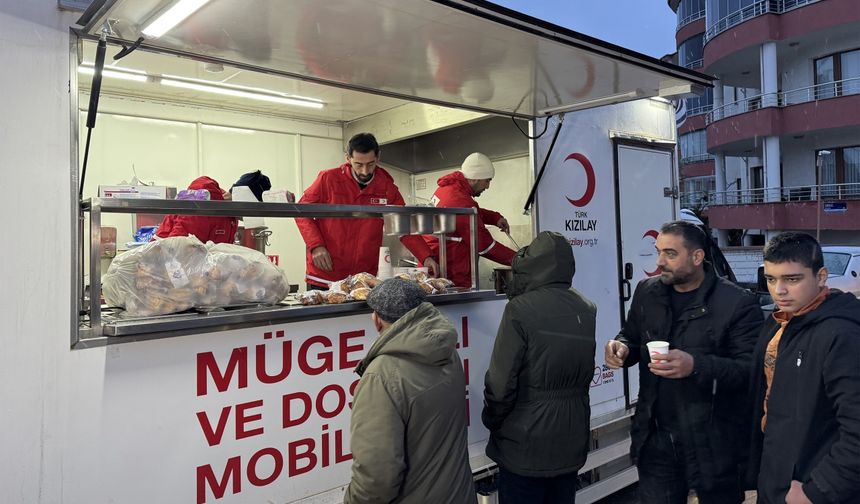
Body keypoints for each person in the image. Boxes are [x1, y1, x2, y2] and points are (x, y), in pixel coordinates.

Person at [604, 220, 762, 504]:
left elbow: (750, 371)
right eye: (658, 252)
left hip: (715, 443)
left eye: (670, 254)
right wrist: (622, 348)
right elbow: (632, 336)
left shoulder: (737, 302)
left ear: (697, 257)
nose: (659, 261)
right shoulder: (647, 292)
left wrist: (695, 365)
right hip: (657, 439)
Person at [482, 231, 596, 503]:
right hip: (570, 438)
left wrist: (492, 420)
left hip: (524, 443)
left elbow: (500, 383)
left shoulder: (519, 309)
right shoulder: (586, 306)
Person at [747, 232, 860, 504]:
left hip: (812, 487)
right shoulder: (779, 323)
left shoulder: (842, 334)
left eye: (792, 279)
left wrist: (816, 491)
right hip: (776, 478)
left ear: (821, 276)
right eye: (771, 279)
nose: (779, 290)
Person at [344, 278, 476, 504]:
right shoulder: (445, 349)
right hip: (459, 494)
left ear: (376, 320)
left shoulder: (382, 375)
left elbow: (376, 477)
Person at [295, 133, 435, 289]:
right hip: (326, 274)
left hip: (362, 278)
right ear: (348, 158)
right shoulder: (328, 179)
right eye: (358, 164)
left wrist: (426, 256)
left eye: (370, 164)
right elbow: (301, 211)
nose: (364, 171)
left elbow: (403, 227)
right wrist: (316, 246)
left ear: (378, 157)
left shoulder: (387, 188)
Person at [403, 152, 516, 288]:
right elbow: (485, 246)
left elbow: (470, 213)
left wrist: (495, 218)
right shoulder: (460, 200)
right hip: (449, 275)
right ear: (474, 179)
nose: (487, 186)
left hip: (437, 268)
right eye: (487, 180)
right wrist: (519, 259)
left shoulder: (447, 189)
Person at [154, 176, 237, 244]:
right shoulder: (202, 211)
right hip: (176, 256)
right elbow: (179, 245)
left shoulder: (187, 204)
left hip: (165, 253)